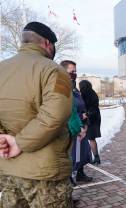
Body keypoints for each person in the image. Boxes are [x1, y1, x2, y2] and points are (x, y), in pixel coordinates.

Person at [0, 22, 73, 207]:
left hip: (8, 169)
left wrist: (2, 138)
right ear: (48, 43)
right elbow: (54, 115)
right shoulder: (54, 70)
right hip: (45, 174)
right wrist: (19, 143)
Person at [61, 60, 93, 183]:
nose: (74, 73)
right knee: (73, 154)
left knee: (83, 152)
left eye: (75, 71)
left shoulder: (74, 88)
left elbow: (79, 104)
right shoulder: (62, 87)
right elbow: (66, 110)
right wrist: (79, 119)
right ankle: (69, 178)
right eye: (72, 71)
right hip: (72, 127)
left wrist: (84, 118)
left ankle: (80, 173)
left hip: (81, 125)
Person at [79, 80, 102, 165]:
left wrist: (87, 115)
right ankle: (95, 158)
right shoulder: (92, 93)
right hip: (94, 119)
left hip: (91, 119)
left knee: (90, 139)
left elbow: (93, 108)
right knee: (90, 139)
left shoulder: (86, 95)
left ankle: (96, 158)